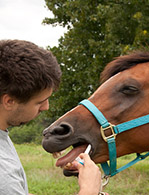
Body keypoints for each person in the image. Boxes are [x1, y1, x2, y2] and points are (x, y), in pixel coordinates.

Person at [0, 39, 102, 195]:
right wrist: (89, 190)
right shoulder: (4, 174)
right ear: (9, 101)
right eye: (39, 102)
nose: (46, 107)